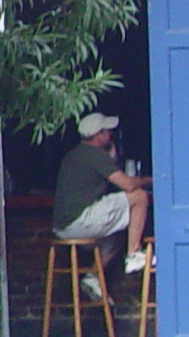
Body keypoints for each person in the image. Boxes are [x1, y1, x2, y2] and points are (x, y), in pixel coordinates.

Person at [54, 111, 152, 287]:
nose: (111, 134)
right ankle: (134, 255)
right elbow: (128, 185)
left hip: (63, 227)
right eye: (107, 131)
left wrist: (111, 160)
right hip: (80, 222)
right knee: (139, 197)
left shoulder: (74, 155)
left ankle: (93, 277)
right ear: (98, 135)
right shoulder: (95, 154)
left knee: (117, 237)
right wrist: (151, 180)